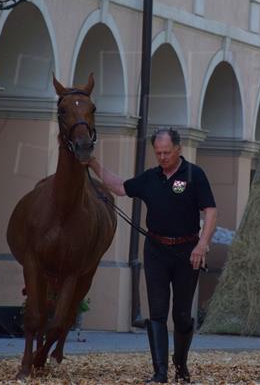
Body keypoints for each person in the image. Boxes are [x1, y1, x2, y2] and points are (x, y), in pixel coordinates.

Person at [89, 127, 217, 383]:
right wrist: (92, 163)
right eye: (158, 153)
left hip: (186, 252)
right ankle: (160, 372)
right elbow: (119, 187)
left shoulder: (194, 175)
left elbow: (210, 211)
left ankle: (180, 363)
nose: (162, 157)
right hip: (156, 251)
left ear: (179, 149)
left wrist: (202, 245)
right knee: (157, 311)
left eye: (167, 152)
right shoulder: (150, 178)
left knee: (181, 314)